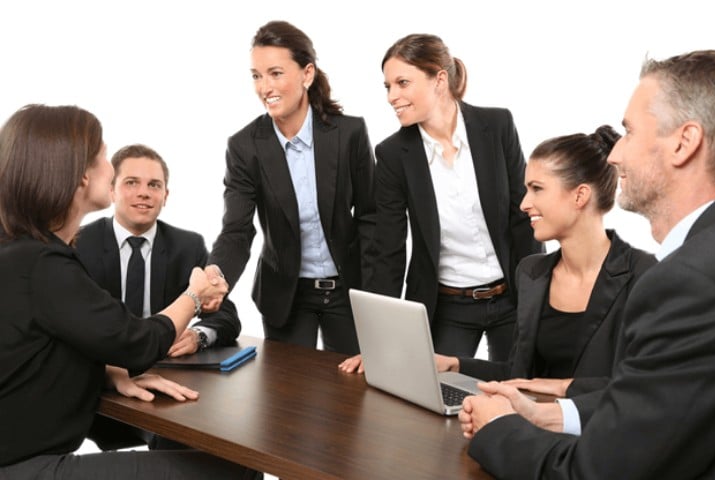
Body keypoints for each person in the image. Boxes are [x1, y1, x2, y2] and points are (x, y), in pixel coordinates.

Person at [459, 50, 715, 479]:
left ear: (684, 142)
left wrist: (498, 426)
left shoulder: (681, 282)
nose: (615, 154)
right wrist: (548, 414)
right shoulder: (699, 263)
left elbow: (595, 472)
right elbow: (667, 396)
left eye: (629, 132)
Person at [0, 104, 258, 478]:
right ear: (79, 176)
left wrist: (108, 372)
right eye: (104, 156)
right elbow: (134, 340)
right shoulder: (46, 263)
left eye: (154, 184)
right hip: (26, 466)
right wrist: (194, 295)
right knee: (236, 471)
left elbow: (41, 347)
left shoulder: (22, 253)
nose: (111, 169)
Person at [341, 33, 542, 370]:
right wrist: (379, 339)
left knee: (521, 392)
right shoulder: (393, 154)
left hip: (511, 297)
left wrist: (537, 298)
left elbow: (523, 218)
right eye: (388, 86)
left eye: (403, 82)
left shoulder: (497, 125)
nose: (392, 96)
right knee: (431, 396)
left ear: (439, 79)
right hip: (448, 306)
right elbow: (387, 250)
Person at [433, 126, 656, 399]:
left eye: (537, 189)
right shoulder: (531, 273)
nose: (524, 203)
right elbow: (520, 376)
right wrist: (455, 364)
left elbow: (646, 387)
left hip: (600, 435)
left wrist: (563, 388)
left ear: (580, 195)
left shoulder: (643, 275)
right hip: (534, 429)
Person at [207, 20, 375, 354]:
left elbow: (372, 217)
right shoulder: (244, 146)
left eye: (275, 73)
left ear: (307, 74)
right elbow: (237, 231)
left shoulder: (349, 134)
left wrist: (375, 292)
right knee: (288, 397)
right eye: (256, 75)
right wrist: (215, 276)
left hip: (349, 291)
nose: (264, 86)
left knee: (355, 395)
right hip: (285, 293)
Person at [75, 144, 242, 451]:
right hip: (102, 385)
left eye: (154, 185)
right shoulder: (79, 244)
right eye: (131, 183)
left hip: (166, 382)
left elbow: (227, 315)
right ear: (111, 190)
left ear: (166, 195)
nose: (144, 193)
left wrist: (197, 335)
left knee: (227, 442)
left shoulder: (186, 245)